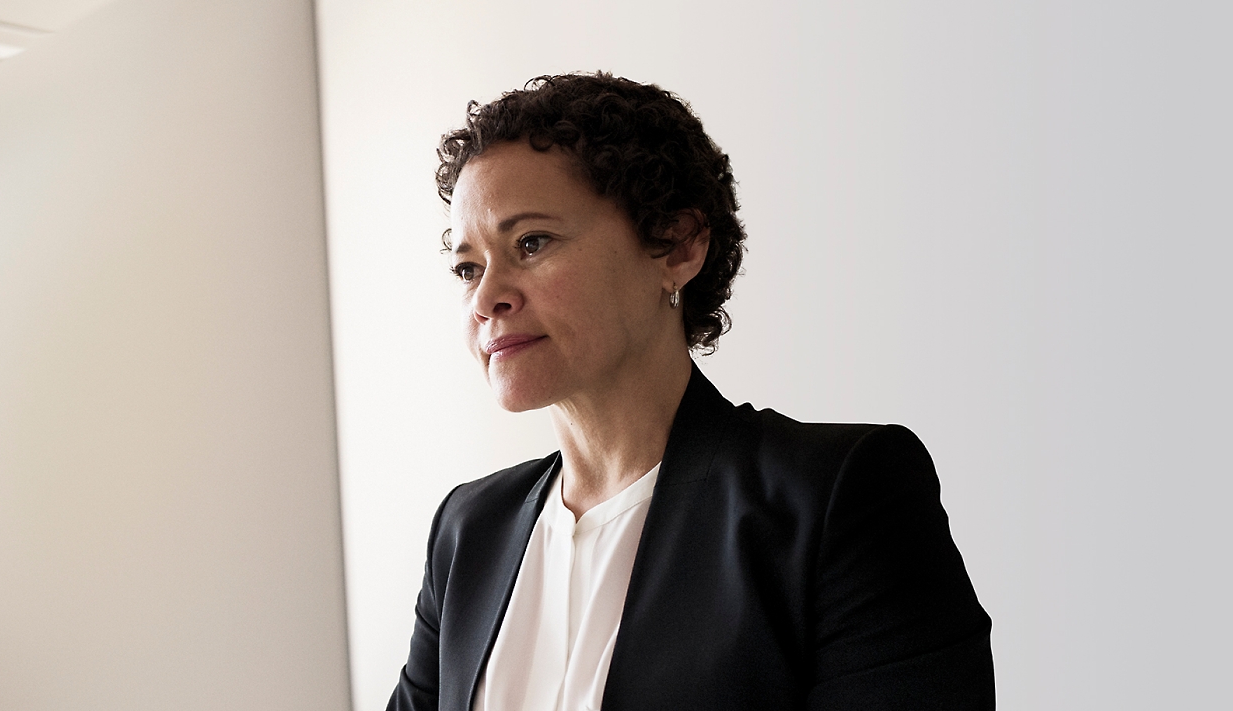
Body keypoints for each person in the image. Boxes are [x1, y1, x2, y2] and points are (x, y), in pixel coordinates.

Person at [388, 73, 992, 711]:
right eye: (467, 268)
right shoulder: (468, 532)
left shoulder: (836, 500)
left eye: (531, 244)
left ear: (677, 245)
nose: (486, 298)